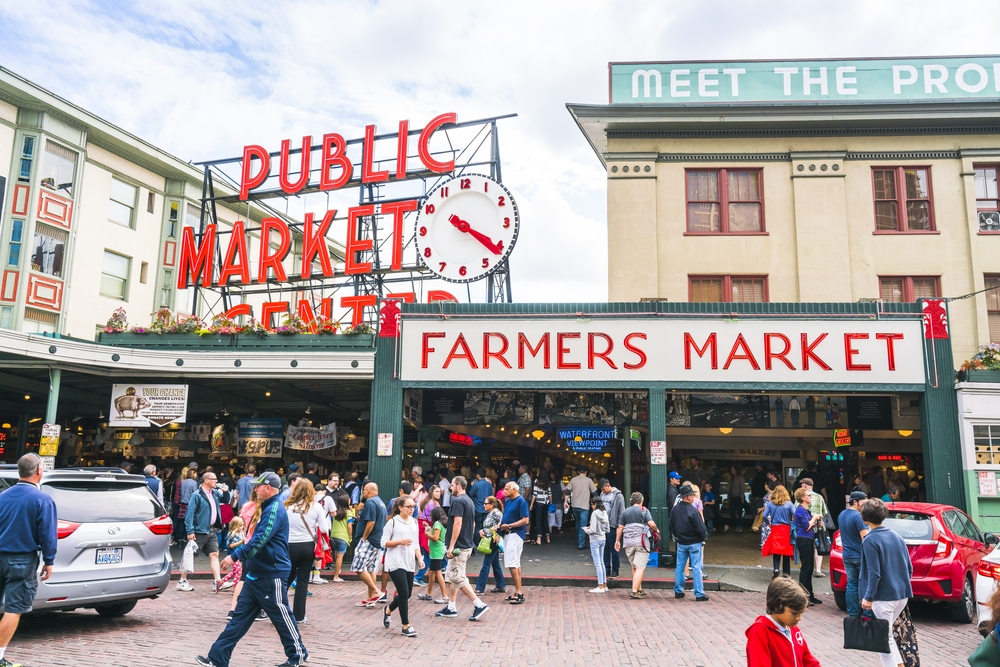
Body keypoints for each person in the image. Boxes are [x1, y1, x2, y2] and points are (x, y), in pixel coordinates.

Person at [196, 472, 307, 667]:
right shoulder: (267, 507)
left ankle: (297, 655)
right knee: (239, 619)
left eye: (257, 486)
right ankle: (217, 658)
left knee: (281, 616)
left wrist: (234, 556)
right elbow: (257, 541)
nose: (254, 489)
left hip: (271, 574)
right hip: (257, 574)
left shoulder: (274, 508)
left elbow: (260, 540)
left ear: (267, 488)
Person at [0, 454, 56, 667]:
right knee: (14, 609)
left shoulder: (3, 496)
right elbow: (47, 534)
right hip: (21, 560)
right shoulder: (42, 499)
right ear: (39, 471)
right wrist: (49, 560)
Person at [860, 498, 913, 667]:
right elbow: (909, 567)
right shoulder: (897, 536)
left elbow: (874, 573)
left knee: (884, 640)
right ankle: (899, 664)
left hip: (883, 597)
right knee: (887, 635)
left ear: (864, 519)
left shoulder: (869, 540)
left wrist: (868, 597)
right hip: (902, 595)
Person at [434, 476, 490, 621]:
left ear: (458, 486)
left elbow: (457, 524)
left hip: (459, 546)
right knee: (454, 576)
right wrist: (470, 542)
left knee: (457, 577)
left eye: (451, 485)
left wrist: (451, 546)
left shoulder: (458, 501)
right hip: (466, 545)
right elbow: (472, 525)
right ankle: (451, 607)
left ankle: (479, 604)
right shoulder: (469, 501)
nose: (450, 488)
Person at [745, 577, 821, 667]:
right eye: (794, 613)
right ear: (776, 606)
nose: (799, 618)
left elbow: (808, 659)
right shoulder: (760, 631)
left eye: (801, 613)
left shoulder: (794, 630)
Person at [284, 481, 329, 623]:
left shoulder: (287, 506)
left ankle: (277, 609)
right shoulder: (316, 506)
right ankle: (299, 615)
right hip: (308, 546)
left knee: (286, 578)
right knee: (303, 580)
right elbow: (324, 529)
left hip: (289, 545)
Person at [380, 494, 423, 637]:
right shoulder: (393, 522)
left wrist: (420, 558)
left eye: (413, 506)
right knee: (403, 592)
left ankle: (388, 610)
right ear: (400, 508)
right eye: (409, 507)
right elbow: (383, 542)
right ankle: (406, 626)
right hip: (394, 561)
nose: (412, 509)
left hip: (409, 561)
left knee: (408, 594)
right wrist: (400, 542)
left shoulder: (414, 522)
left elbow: (416, 543)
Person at [182, 469, 231, 593]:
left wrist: (225, 491)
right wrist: (190, 531)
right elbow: (189, 514)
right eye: (214, 479)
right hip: (199, 530)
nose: (217, 481)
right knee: (191, 555)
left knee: (214, 554)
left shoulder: (214, 493)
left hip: (211, 529)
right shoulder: (197, 495)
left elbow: (225, 500)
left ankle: (217, 582)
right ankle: (182, 580)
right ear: (206, 480)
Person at [615, 491, 659, 600]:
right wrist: (656, 530)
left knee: (634, 566)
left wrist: (617, 541)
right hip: (641, 542)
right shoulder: (644, 510)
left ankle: (639, 588)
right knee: (640, 567)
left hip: (628, 542)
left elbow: (620, 527)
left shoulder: (625, 512)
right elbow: (651, 524)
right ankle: (634, 591)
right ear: (641, 501)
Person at [670, 484, 709, 602]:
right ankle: (699, 593)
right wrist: (703, 538)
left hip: (681, 542)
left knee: (680, 567)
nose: (694, 497)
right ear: (688, 497)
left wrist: (677, 536)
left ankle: (678, 590)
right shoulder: (692, 510)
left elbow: (671, 525)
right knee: (696, 567)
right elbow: (700, 528)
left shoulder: (675, 509)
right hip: (694, 542)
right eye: (692, 495)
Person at [352, 482, 387, 608]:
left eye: (363, 490)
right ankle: (370, 597)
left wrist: (364, 538)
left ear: (367, 491)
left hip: (370, 541)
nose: (363, 493)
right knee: (370, 568)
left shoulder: (371, 502)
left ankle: (376, 592)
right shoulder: (380, 502)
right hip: (376, 540)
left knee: (358, 566)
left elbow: (371, 522)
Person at [837, 491, 869, 617]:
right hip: (860, 556)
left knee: (851, 585)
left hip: (847, 555)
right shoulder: (858, 517)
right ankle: (867, 614)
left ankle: (853, 613)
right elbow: (866, 539)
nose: (865, 504)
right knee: (865, 584)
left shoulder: (842, 515)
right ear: (855, 502)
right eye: (863, 501)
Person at [498, 480, 530, 604]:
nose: (504, 491)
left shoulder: (521, 501)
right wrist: (500, 525)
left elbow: (525, 520)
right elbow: (505, 515)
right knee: (515, 562)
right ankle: (518, 590)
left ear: (514, 489)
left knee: (512, 563)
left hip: (515, 534)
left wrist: (510, 526)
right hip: (508, 534)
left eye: (507, 489)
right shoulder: (508, 501)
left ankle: (519, 591)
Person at [792, 487, 823, 606]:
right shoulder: (800, 510)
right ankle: (803, 597)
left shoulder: (805, 510)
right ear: (802, 498)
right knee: (806, 569)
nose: (810, 497)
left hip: (807, 539)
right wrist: (814, 518)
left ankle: (810, 595)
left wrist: (815, 523)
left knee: (809, 568)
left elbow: (807, 525)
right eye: (808, 495)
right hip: (804, 540)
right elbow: (805, 527)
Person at [474, 497, 505, 595]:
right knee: (495, 564)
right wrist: (481, 530)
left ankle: (480, 588)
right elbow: (486, 527)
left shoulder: (496, 513)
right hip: (489, 540)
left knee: (486, 564)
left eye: (486, 503)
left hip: (493, 541)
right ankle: (500, 585)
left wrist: (499, 535)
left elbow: (502, 523)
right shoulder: (489, 514)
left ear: (492, 504)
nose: (484, 505)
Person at [762, 485, 795, 579]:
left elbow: (764, 516)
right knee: (786, 552)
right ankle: (786, 574)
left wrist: (768, 523)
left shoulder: (770, 504)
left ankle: (776, 569)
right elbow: (795, 514)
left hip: (775, 528)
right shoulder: (789, 504)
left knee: (776, 551)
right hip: (786, 529)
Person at [799, 477, 829, 578]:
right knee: (818, 547)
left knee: (808, 547)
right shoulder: (820, 497)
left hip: (806, 526)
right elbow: (824, 512)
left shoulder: (801, 497)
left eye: (801, 484)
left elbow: (796, 511)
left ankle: (808, 568)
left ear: (805, 486)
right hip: (819, 525)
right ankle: (818, 570)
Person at [419, 506, 449, 603]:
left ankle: (445, 596)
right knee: (431, 572)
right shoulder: (441, 524)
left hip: (436, 551)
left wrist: (427, 534)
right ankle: (428, 593)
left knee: (438, 573)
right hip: (436, 550)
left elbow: (435, 537)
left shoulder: (437, 524)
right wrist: (427, 527)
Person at [415, 484, 443, 586]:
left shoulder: (425, 501)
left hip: (423, 528)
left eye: (439, 492)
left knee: (428, 553)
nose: (439, 493)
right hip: (428, 529)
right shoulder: (433, 504)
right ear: (432, 492)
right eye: (436, 492)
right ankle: (418, 577)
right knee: (428, 555)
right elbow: (437, 519)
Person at [583, 495, 610, 593]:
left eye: (592, 505)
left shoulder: (594, 514)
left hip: (595, 540)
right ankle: (604, 584)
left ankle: (600, 586)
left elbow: (593, 530)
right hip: (603, 538)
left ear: (595, 504)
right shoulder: (604, 512)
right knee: (602, 562)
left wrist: (587, 530)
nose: (591, 506)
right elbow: (607, 528)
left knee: (597, 563)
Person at [566, 467, 597, 550]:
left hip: (575, 505)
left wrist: (565, 502)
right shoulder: (589, 480)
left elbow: (567, 491)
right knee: (583, 525)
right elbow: (595, 493)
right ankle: (581, 544)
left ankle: (578, 539)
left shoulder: (573, 480)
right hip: (584, 506)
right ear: (586, 472)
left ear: (578, 472)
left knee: (578, 522)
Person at [599, 478, 625, 578]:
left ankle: (615, 570)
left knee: (614, 549)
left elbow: (621, 511)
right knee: (605, 548)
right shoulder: (602, 495)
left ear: (608, 486)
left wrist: (619, 526)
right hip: (603, 525)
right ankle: (606, 569)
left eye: (603, 489)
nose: (603, 491)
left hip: (612, 525)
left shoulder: (618, 495)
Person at [218, 516, 246, 592]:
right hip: (233, 556)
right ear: (236, 526)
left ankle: (220, 582)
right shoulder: (232, 535)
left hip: (238, 556)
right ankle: (235, 588)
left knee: (234, 572)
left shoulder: (240, 533)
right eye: (241, 525)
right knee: (239, 572)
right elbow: (231, 545)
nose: (242, 527)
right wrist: (241, 542)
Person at [529, 472, 551, 545]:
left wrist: (531, 504)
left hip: (539, 502)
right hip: (546, 502)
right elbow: (550, 494)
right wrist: (551, 503)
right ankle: (548, 537)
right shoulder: (547, 482)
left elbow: (534, 494)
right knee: (545, 519)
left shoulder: (536, 481)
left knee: (538, 520)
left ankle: (539, 538)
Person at [469, 468, 493, 537]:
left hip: (478, 508)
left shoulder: (476, 484)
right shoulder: (489, 484)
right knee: (485, 527)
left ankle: (476, 544)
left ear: (478, 475)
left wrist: (472, 486)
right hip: (487, 508)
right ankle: (485, 543)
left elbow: (471, 494)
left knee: (477, 527)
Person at [728, 465, 746, 533]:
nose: (731, 470)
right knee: (731, 512)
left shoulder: (740, 478)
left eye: (732, 469)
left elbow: (742, 488)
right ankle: (737, 524)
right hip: (732, 497)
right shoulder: (732, 478)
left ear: (735, 470)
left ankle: (740, 526)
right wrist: (729, 496)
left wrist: (742, 497)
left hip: (738, 497)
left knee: (739, 513)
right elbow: (730, 488)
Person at [548, 470, 565, 534]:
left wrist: (563, 495)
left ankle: (559, 527)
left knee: (558, 514)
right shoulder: (549, 482)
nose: (551, 475)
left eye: (552, 474)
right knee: (551, 515)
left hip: (558, 500)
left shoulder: (559, 482)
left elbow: (564, 489)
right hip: (551, 501)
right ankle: (550, 528)